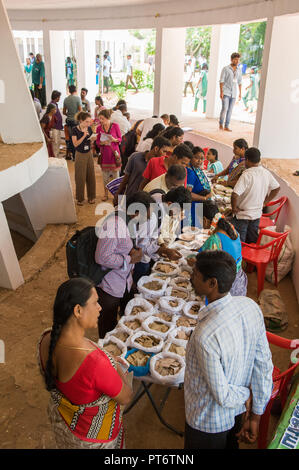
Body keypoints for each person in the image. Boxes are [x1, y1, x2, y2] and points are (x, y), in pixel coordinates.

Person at [184, 250, 273, 449]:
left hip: (207, 422)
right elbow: (263, 364)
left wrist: (247, 395)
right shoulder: (250, 306)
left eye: (196, 274)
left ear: (212, 283)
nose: (191, 277)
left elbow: (223, 396)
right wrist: (256, 415)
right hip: (237, 414)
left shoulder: (205, 336)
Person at [38, 277, 133, 449]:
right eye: (95, 302)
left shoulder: (46, 339)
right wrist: (115, 365)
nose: (100, 307)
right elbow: (126, 397)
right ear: (78, 310)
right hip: (92, 439)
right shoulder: (95, 363)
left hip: (66, 428)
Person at [95, 192, 149, 337]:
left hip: (123, 281)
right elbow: (102, 257)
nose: (147, 220)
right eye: (146, 215)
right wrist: (129, 260)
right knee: (107, 327)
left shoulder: (128, 222)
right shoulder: (114, 225)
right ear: (137, 212)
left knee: (124, 320)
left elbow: (123, 246)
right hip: (109, 287)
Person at [188, 200, 248, 296]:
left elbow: (202, 264)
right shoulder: (230, 228)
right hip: (239, 280)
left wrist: (191, 260)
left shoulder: (214, 239)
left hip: (227, 287)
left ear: (204, 220)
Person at [231, 147, 280, 243]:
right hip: (256, 214)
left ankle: (241, 258)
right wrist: (266, 202)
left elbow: (234, 194)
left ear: (247, 160)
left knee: (240, 242)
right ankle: (249, 256)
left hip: (242, 215)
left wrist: (234, 208)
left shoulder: (247, 174)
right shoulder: (266, 173)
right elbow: (276, 188)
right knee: (252, 241)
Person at [114, 136, 171, 203]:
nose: (165, 155)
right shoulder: (135, 157)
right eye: (164, 151)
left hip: (145, 201)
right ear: (156, 148)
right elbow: (126, 178)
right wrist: (118, 194)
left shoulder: (161, 166)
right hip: (130, 196)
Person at [96, 108, 122, 201]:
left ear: (108, 118)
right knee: (105, 176)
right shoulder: (99, 128)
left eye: (102, 119)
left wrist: (114, 140)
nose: (101, 121)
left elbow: (120, 139)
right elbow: (97, 141)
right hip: (104, 154)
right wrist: (102, 143)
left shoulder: (115, 126)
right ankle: (105, 194)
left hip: (114, 154)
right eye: (100, 119)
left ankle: (116, 195)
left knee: (116, 176)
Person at [71, 111, 97, 205]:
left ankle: (91, 197)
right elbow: (75, 144)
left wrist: (92, 140)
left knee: (91, 175)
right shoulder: (75, 129)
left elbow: (89, 142)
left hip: (88, 153)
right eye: (86, 121)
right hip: (80, 154)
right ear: (81, 120)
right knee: (80, 176)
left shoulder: (89, 129)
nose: (88, 123)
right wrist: (83, 136)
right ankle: (80, 198)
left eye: (89, 121)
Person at [219, 52, 242, 131]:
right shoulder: (226, 69)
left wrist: (240, 93)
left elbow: (240, 82)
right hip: (226, 92)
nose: (237, 61)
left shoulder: (239, 70)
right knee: (225, 108)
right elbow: (221, 81)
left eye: (238, 60)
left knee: (230, 110)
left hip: (234, 93)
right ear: (231, 60)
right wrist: (221, 92)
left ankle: (226, 126)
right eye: (235, 59)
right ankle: (221, 123)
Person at [63, 85, 82, 160]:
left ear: (69, 91)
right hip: (76, 121)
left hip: (69, 122)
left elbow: (64, 112)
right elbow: (80, 111)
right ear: (76, 90)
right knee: (77, 138)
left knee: (71, 138)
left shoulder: (66, 99)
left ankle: (73, 155)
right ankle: (77, 156)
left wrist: (69, 114)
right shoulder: (78, 98)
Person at [50, 90, 64, 158]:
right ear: (56, 97)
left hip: (57, 127)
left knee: (58, 142)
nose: (59, 98)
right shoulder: (52, 105)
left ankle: (57, 156)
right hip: (54, 127)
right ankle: (55, 157)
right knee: (55, 143)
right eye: (59, 97)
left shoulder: (55, 104)